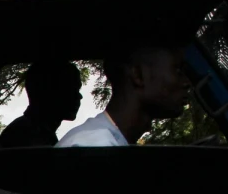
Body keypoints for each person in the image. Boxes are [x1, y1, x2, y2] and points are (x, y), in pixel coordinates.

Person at [58, 43, 190, 147]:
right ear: (138, 75)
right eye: (178, 70)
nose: (186, 83)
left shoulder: (105, 143)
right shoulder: (95, 146)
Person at [0, 60, 83, 147]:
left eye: (77, 90)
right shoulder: (29, 134)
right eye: (69, 89)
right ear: (47, 91)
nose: (79, 96)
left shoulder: (34, 130)